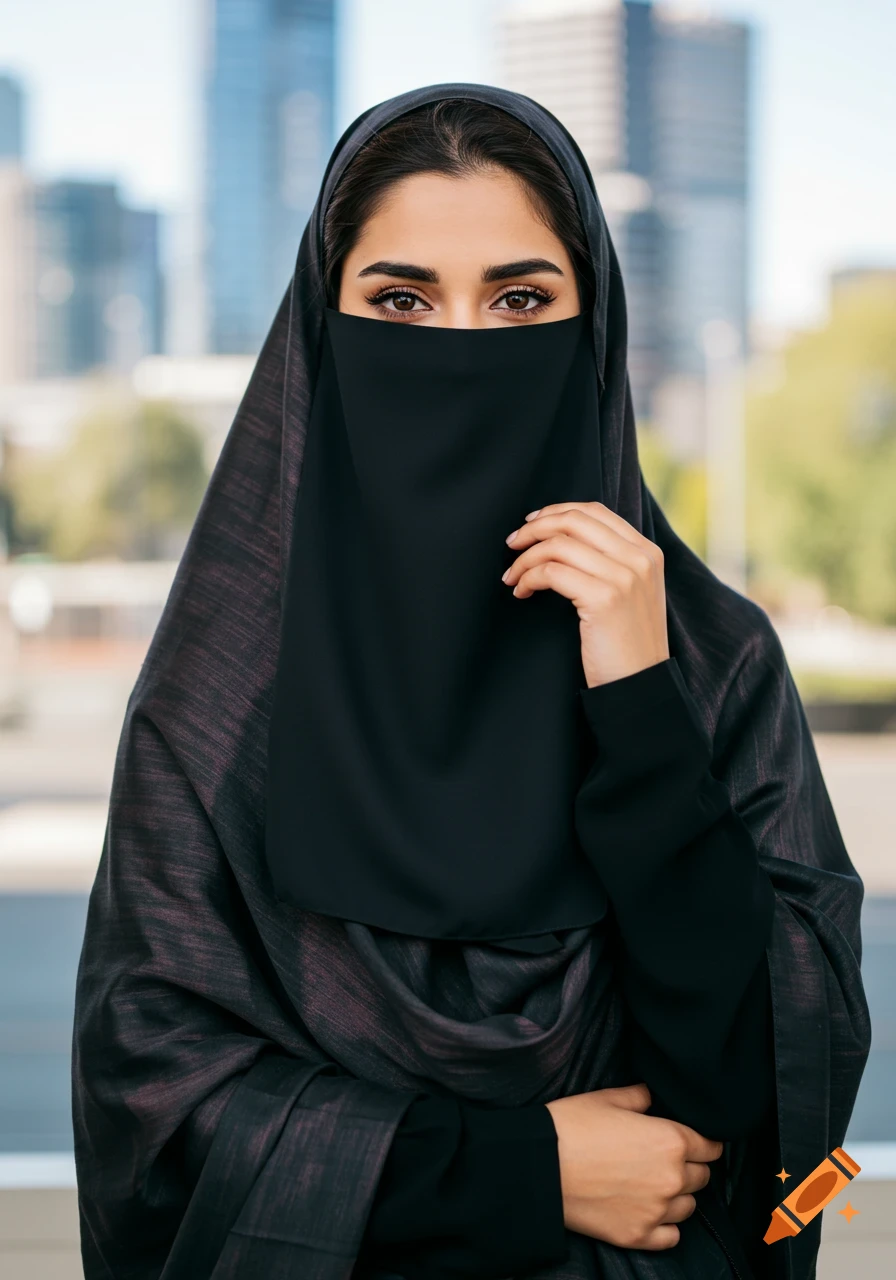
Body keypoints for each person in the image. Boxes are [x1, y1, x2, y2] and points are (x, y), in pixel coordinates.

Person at [71, 85, 870, 1280]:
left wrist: (637, 707)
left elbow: (772, 1086)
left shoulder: (707, 657)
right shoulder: (225, 690)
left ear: (590, 328)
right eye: (400, 300)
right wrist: (520, 1167)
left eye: (519, 300)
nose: (458, 349)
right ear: (320, 331)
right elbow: (153, 1106)